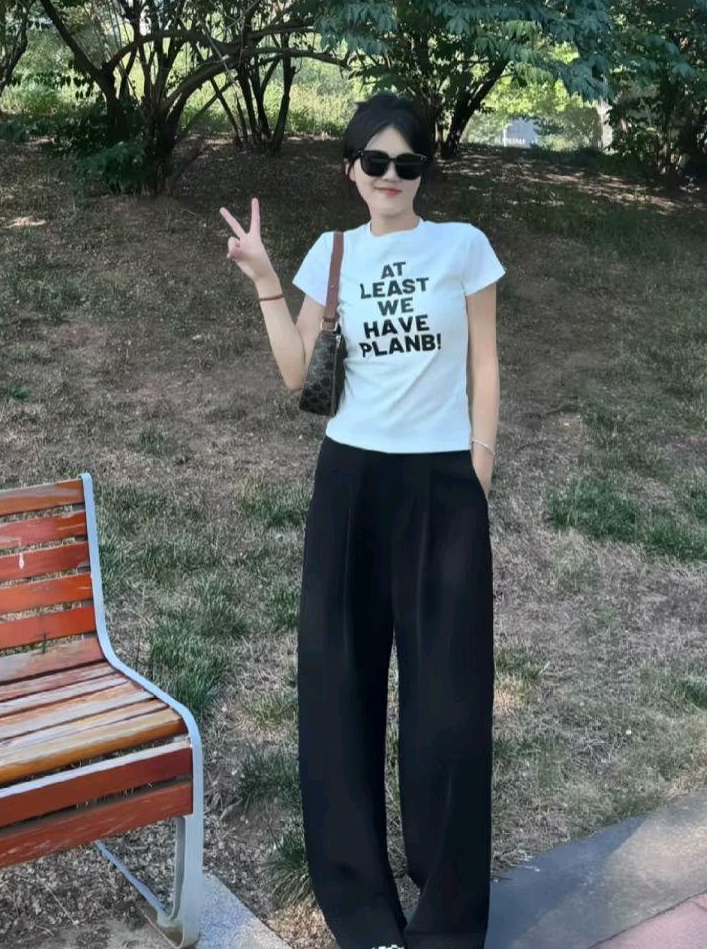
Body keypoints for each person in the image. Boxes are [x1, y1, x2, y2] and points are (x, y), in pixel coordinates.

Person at [219, 91, 505, 949]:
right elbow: (296, 374)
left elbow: (485, 365)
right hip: (349, 481)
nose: (390, 176)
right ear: (350, 168)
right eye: (375, 161)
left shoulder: (463, 247)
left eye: (406, 163)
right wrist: (266, 280)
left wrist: (477, 466)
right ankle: (360, 906)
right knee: (338, 686)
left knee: (448, 704)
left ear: (423, 171)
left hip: (442, 485)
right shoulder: (332, 252)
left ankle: (446, 918)